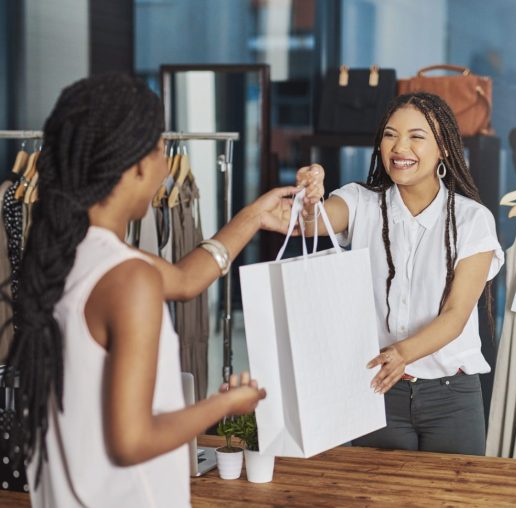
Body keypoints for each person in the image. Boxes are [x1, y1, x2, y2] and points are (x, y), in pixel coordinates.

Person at [2, 73, 299, 507]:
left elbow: (184, 280)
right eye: (160, 149)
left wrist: (252, 217)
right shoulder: (129, 279)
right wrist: (225, 405)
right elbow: (132, 440)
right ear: (135, 164)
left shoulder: (63, 255)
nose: (165, 165)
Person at [294, 92, 503, 455]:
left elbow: (455, 317)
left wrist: (400, 354)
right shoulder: (359, 202)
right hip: (380, 391)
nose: (399, 146)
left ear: (445, 149)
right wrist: (310, 197)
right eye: (390, 134)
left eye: (416, 137)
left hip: (451, 398)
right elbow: (313, 223)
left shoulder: (472, 220)